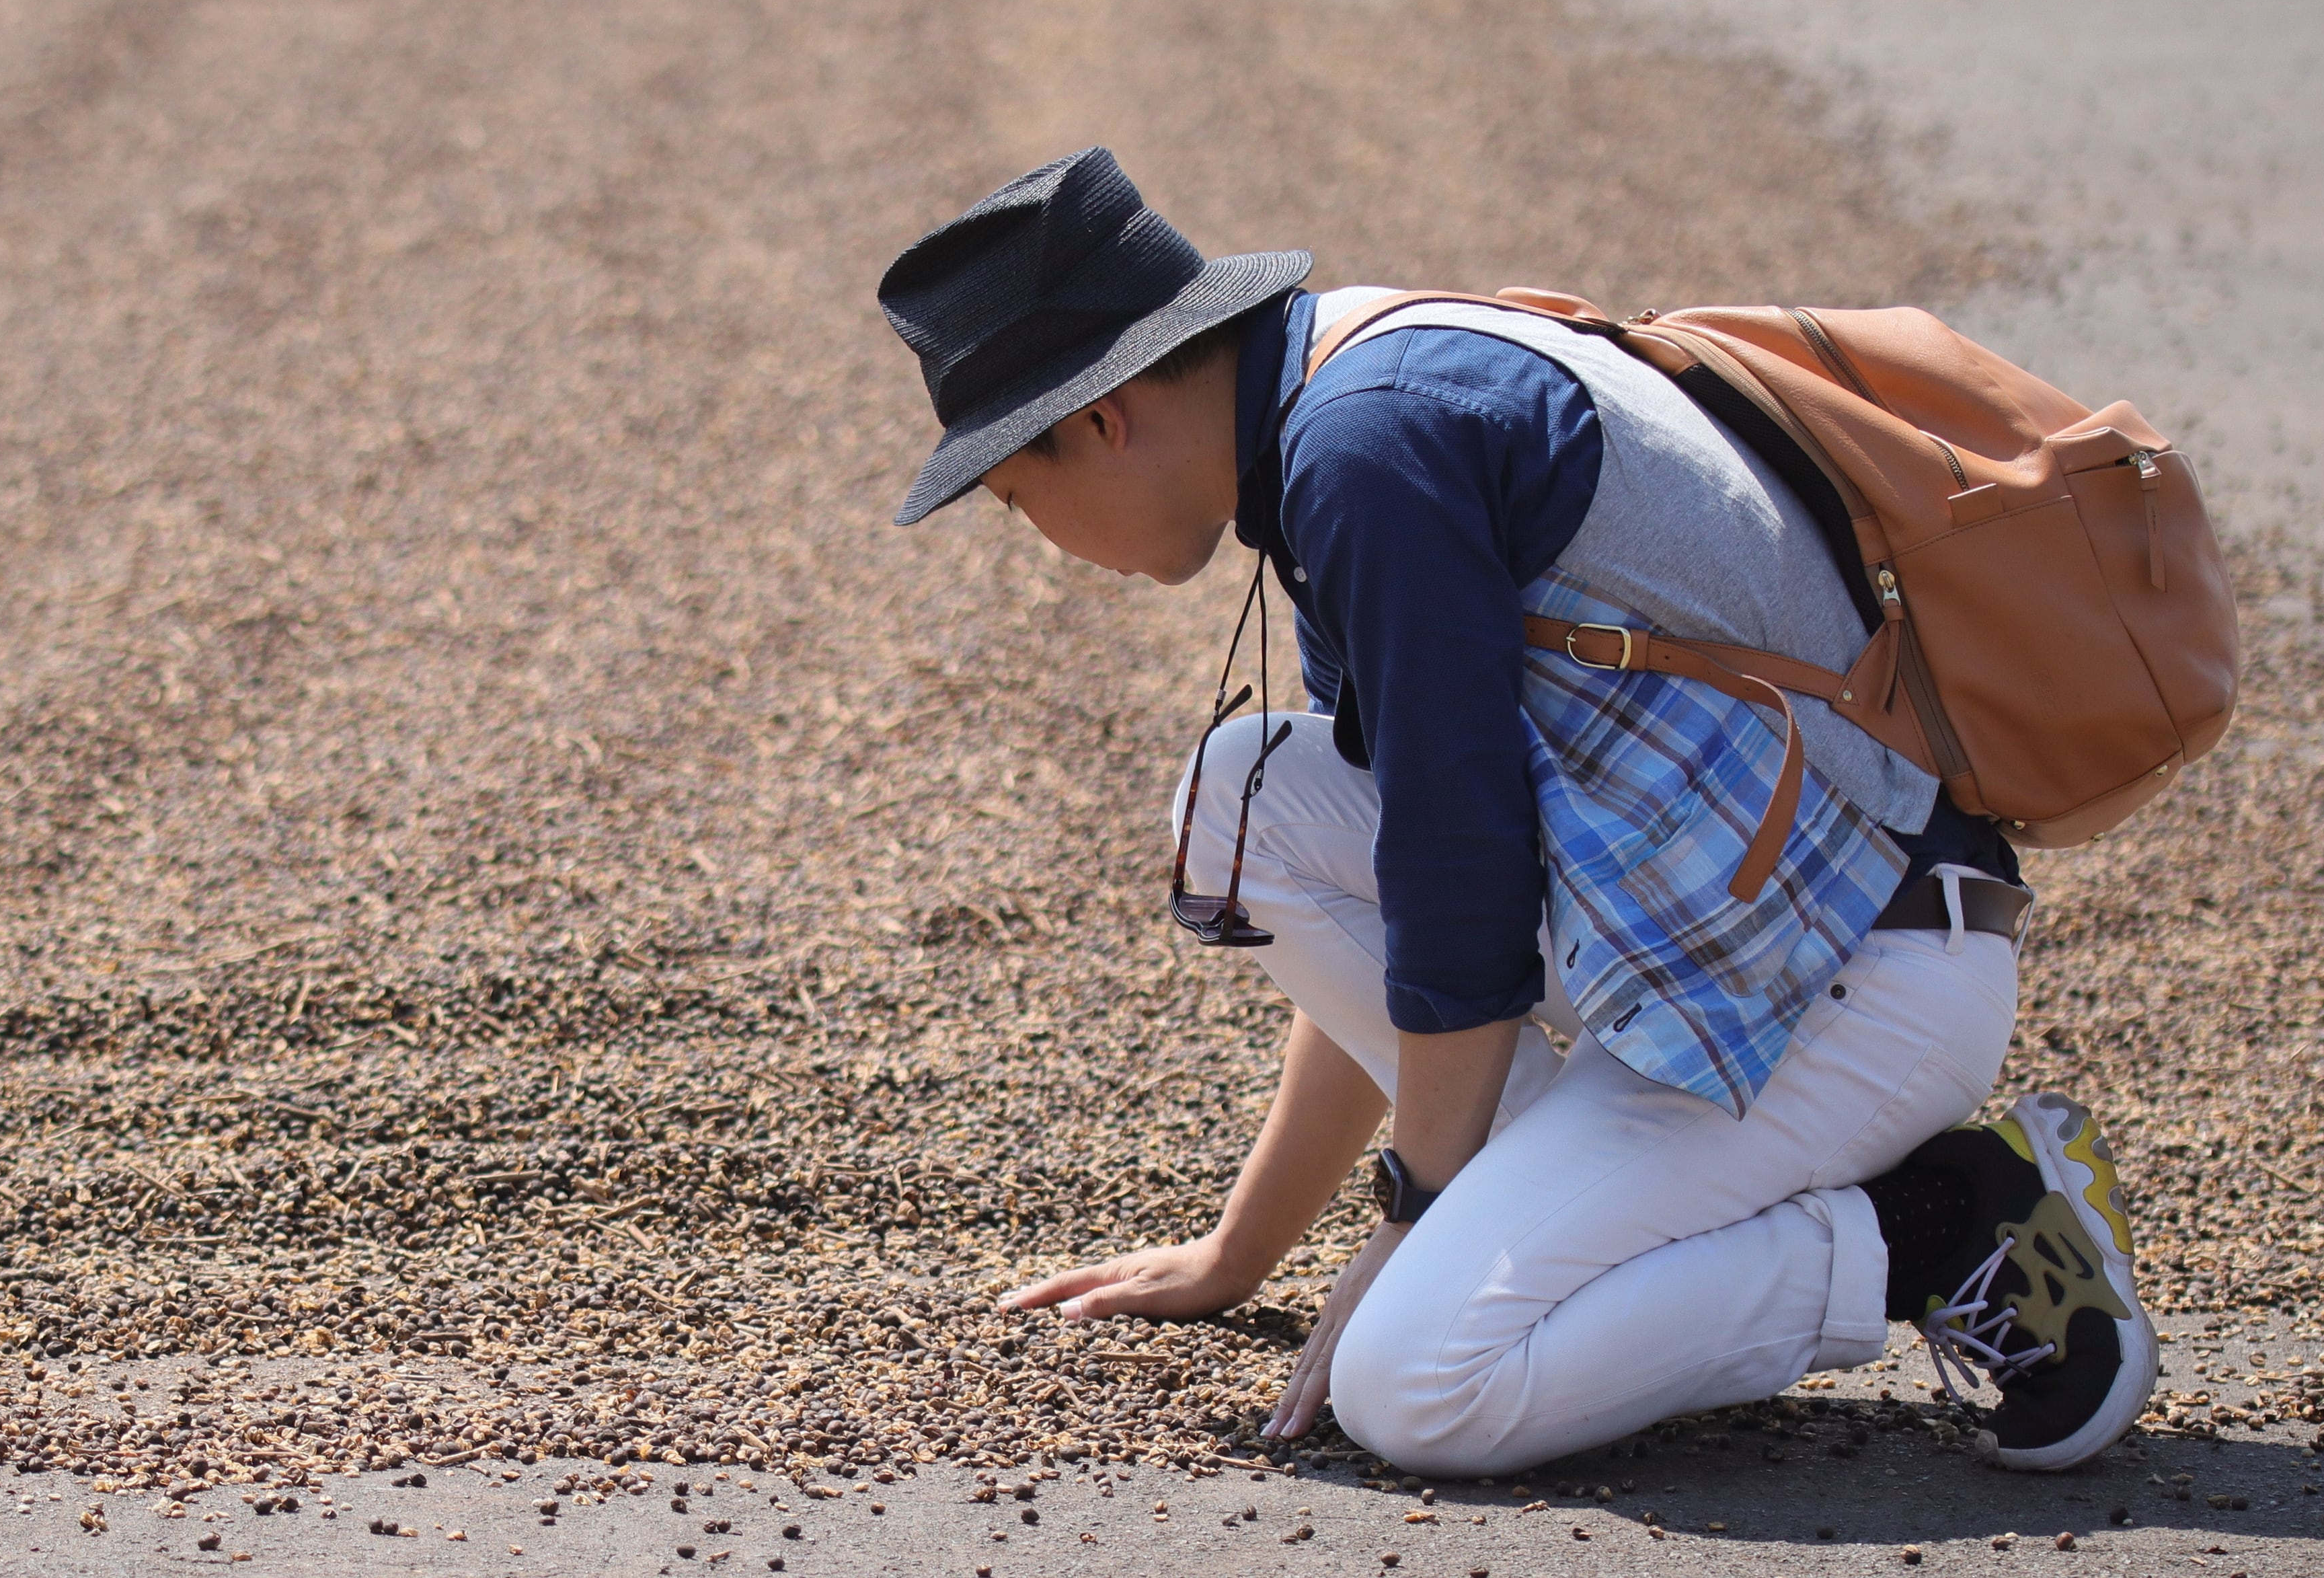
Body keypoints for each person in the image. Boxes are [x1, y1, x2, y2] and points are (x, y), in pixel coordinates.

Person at [875, 147, 2155, 1477]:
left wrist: (1415, 1212)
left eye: (1021, 499)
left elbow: (1459, 881)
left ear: (1102, 419)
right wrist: (1237, 1254)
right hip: (1726, 946)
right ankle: (1577, 1202)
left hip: (1850, 985)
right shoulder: (1342, 390)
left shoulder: (1366, 453)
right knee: (1242, 799)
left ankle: (1941, 1228)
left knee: (1420, 1390)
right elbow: (1398, 895)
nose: (1043, 540)